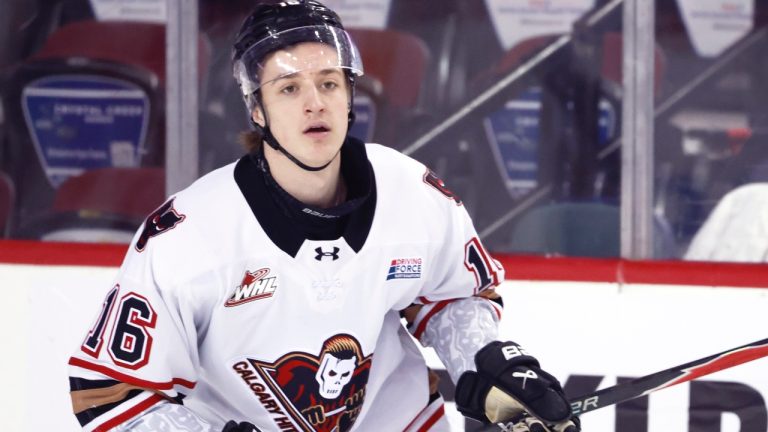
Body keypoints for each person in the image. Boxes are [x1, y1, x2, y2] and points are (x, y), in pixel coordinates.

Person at [67, 1, 580, 431]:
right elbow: (110, 394)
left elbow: (451, 298)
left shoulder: (412, 192)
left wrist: (487, 364)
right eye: (289, 89)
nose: (315, 103)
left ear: (350, 95)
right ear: (257, 110)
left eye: (329, 83)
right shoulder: (191, 234)